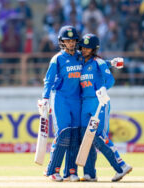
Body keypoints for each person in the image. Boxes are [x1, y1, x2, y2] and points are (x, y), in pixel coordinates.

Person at [78, 34, 132, 182]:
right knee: (86, 138)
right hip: (84, 103)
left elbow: (110, 79)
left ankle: (121, 166)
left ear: (94, 49)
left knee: (98, 136)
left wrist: (103, 88)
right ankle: (89, 173)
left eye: (88, 48)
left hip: (99, 102)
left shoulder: (99, 62)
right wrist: (112, 62)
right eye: (83, 46)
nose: (84, 49)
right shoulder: (80, 62)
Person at [39, 25, 82, 182]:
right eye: (67, 40)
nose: (70, 43)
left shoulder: (81, 57)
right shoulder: (57, 59)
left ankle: (71, 171)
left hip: (77, 99)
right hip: (61, 99)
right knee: (63, 134)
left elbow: (96, 63)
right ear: (62, 42)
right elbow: (48, 80)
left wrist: (111, 63)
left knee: (75, 136)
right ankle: (52, 170)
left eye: (73, 40)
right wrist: (45, 98)